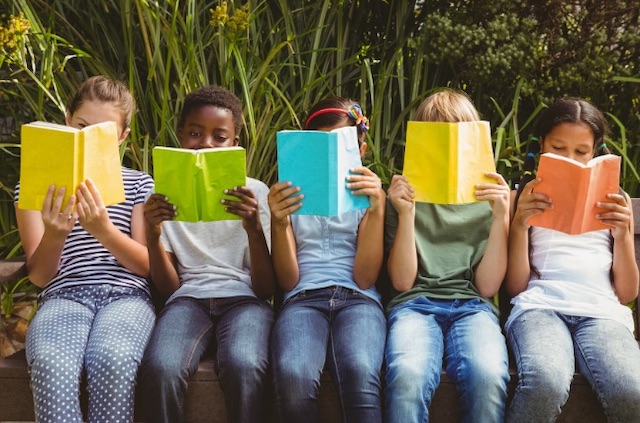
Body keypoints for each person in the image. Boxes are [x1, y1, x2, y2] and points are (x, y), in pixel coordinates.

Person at [15, 75, 155, 422]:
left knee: (112, 359)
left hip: (127, 296)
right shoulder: (33, 188)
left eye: (103, 132)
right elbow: (39, 276)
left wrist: (104, 230)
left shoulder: (139, 184)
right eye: (81, 126)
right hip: (64, 295)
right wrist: (55, 234)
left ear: (122, 137)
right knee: (51, 363)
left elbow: (147, 265)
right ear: (67, 121)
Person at [139, 85, 275, 423]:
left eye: (220, 137)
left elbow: (266, 289)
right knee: (161, 367)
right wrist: (154, 236)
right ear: (181, 135)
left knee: (245, 364)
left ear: (235, 144)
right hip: (188, 300)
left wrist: (253, 228)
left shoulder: (255, 193)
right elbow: (170, 289)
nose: (206, 144)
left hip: (245, 300)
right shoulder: (163, 195)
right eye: (195, 134)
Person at [505, 97, 640, 422]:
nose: (570, 159)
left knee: (631, 390)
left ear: (596, 151)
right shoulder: (522, 196)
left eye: (581, 152)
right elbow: (514, 286)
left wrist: (622, 235)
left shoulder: (616, 201)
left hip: (601, 313)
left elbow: (627, 293)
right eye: (558, 148)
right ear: (541, 146)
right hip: (540, 309)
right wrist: (520, 225)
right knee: (544, 382)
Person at [384, 90, 510, 423]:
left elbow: (486, 287)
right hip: (415, 304)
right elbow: (401, 281)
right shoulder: (403, 196)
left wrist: (500, 217)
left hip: (472, 307)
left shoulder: (488, 199)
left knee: (488, 376)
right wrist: (407, 213)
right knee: (408, 375)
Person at [268, 97, 386, 422]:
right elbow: (288, 280)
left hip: (358, 299)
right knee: (293, 374)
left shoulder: (369, 199)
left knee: (360, 371)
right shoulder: (289, 197)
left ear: (360, 148)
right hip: (302, 299)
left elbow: (365, 278)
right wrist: (279, 222)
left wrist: (378, 210)